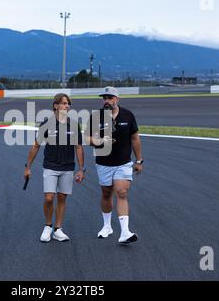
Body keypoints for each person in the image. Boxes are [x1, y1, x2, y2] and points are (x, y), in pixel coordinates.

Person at [85, 87, 143, 244]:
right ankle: (107, 226)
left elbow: (135, 138)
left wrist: (139, 160)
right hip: (103, 163)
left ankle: (125, 232)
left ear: (117, 99)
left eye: (110, 98)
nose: (107, 101)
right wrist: (101, 141)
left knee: (122, 192)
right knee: (106, 193)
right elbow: (86, 138)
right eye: (104, 98)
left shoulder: (128, 115)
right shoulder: (96, 116)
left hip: (123, 162)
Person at [24, 93, 85, 243]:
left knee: (62, 197)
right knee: (49, 197)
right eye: (64, 103)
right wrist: (28, 167)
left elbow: (78, 147)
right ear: (55, 106)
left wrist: (81, 169)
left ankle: (58, 229)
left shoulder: (73, 124)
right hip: (50, 166)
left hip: (68, 167)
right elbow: (36, 145)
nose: (67, 106)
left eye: (68, 104)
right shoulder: (46, 123)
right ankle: (48, 226)